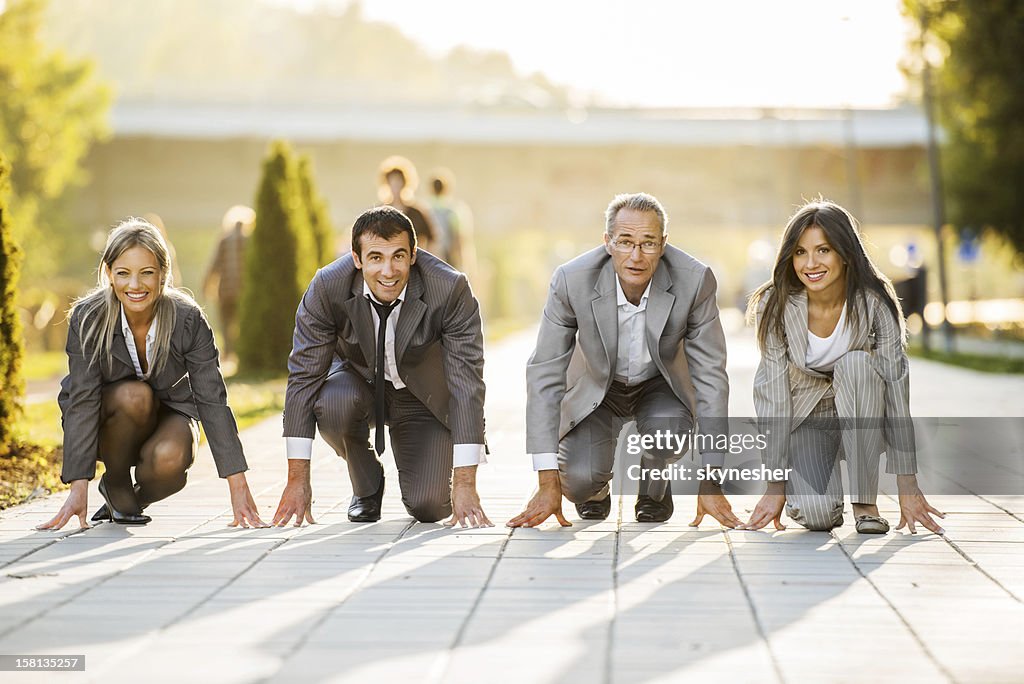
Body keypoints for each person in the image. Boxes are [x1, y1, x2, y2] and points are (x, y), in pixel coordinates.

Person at [509, 192, 743, 528]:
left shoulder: (695, 280)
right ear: (607, 242)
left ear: (663, 244)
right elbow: (544, 372)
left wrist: (711, 478)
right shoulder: (571, 280)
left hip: (660, 386)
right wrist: (547, 482)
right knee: (577, 480)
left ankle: (654, 484)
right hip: (596, 389)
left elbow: (711, 376)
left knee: (667, 437)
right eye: (625, 242)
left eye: (648, 243)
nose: (636, 255)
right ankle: (596, 490)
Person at [37, 218, 265, 530]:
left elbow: (212, 400)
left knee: (171, 459)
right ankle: (115, 482)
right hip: (108, 419)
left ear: (162, 275)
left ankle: (130, 498)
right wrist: (79, 486)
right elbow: (83, 399)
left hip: (167, 413)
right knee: (135, 395)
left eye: (147, 273)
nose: (135, 285)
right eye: (123, 273)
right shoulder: (88, 318)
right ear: (108, 274)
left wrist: (238, 486)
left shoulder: (188, 320)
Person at [272, 205, 491, 528]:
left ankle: (428, 487)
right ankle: (366, 484)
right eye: (375, 258)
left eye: (398, 256)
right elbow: (304, 377)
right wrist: (297, 479)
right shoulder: (327, 286)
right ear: (357, 258)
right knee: (333, 401)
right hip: (356, 385)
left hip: (420, 398)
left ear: (414, 255)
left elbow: (467, 384)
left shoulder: (450, 289)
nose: (388, 271)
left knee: (430, 506)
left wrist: (465, 484)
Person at [745, 200, 945, 535]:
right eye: (799, 252)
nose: (810, 263)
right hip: (807, 417)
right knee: (817, 516)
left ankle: (865, 505)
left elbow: (896, 388)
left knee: (855, 365)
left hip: (862, 413)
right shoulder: (775, 305)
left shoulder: (874, 301)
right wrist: (775, 484)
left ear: (845, 253)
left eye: (823, 250)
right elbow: (773, 395)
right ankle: (823, 496)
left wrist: (907, 483)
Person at [203, 205, 255, 359]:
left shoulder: (224, 240)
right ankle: (240, 353)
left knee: (226, 323)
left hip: (225, 292)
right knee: (242, 322)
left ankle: (228, 353)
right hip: (244, 291)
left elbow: (214, 266)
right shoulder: (250, 241)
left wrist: (206, 286)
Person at [377, 156, 439, 255]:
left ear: (405, 183)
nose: (396, 185)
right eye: (392, 181)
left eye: (399, 181)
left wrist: (425, 260)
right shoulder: (379, 213)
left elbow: (432, 238)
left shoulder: (417, 212)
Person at [427, 168, 477, 275]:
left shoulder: (426, 210)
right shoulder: (455, 210)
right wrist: (465, 265)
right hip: (450, 259)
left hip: (432, 259)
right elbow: (460, 238)